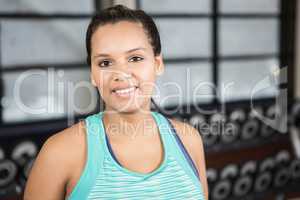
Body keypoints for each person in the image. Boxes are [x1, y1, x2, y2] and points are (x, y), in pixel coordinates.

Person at [24, 4, 209, 200]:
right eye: (105, 63)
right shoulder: (59, 153)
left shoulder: (190, 140)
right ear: (93, 75)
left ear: (157, 64)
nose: (120, 74)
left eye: (135, 58)